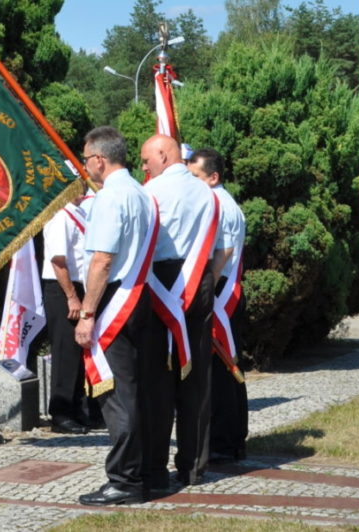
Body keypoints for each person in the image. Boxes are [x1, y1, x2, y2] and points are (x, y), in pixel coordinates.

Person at [74, 126, 157, 506]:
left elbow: (102, 261)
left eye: (86, 158)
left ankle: (124, 480)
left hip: (116, 300)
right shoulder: (141, 192)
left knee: (117, 393)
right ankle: (144, 470)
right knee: (135, 389)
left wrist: (88, 313)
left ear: (100, 160)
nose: (85, 165)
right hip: (140, 296)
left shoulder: (111, 198)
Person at [139, 134, 221, 492]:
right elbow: (218, 249)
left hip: (161, 280)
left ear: (163, 154)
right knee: (196, 375)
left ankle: (154, 467)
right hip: (199, 278)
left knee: (158, 377)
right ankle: (194, 465)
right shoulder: (208, 192)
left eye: (146, 160)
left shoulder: (152, 192)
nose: (143, 167)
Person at [187, 148, 248, 462]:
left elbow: (221, 253)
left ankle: (225, 441)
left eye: (196, 177)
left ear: (213, 177)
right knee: (225, 367)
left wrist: (203, 287)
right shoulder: (219, 201)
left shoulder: (220, 205)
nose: (192, 183)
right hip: (222, 287)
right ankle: (231, 437)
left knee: (221, 368)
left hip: (220, 289)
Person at [41, 184, 99, 434]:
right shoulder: (60, 216)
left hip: (78, 287)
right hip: (62, 289)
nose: (82, 188)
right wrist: (72, 297)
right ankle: (61, 413)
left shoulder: (79, 213)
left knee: (77, 352)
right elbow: (58, 260)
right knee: (65, 352)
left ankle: (77, 409)